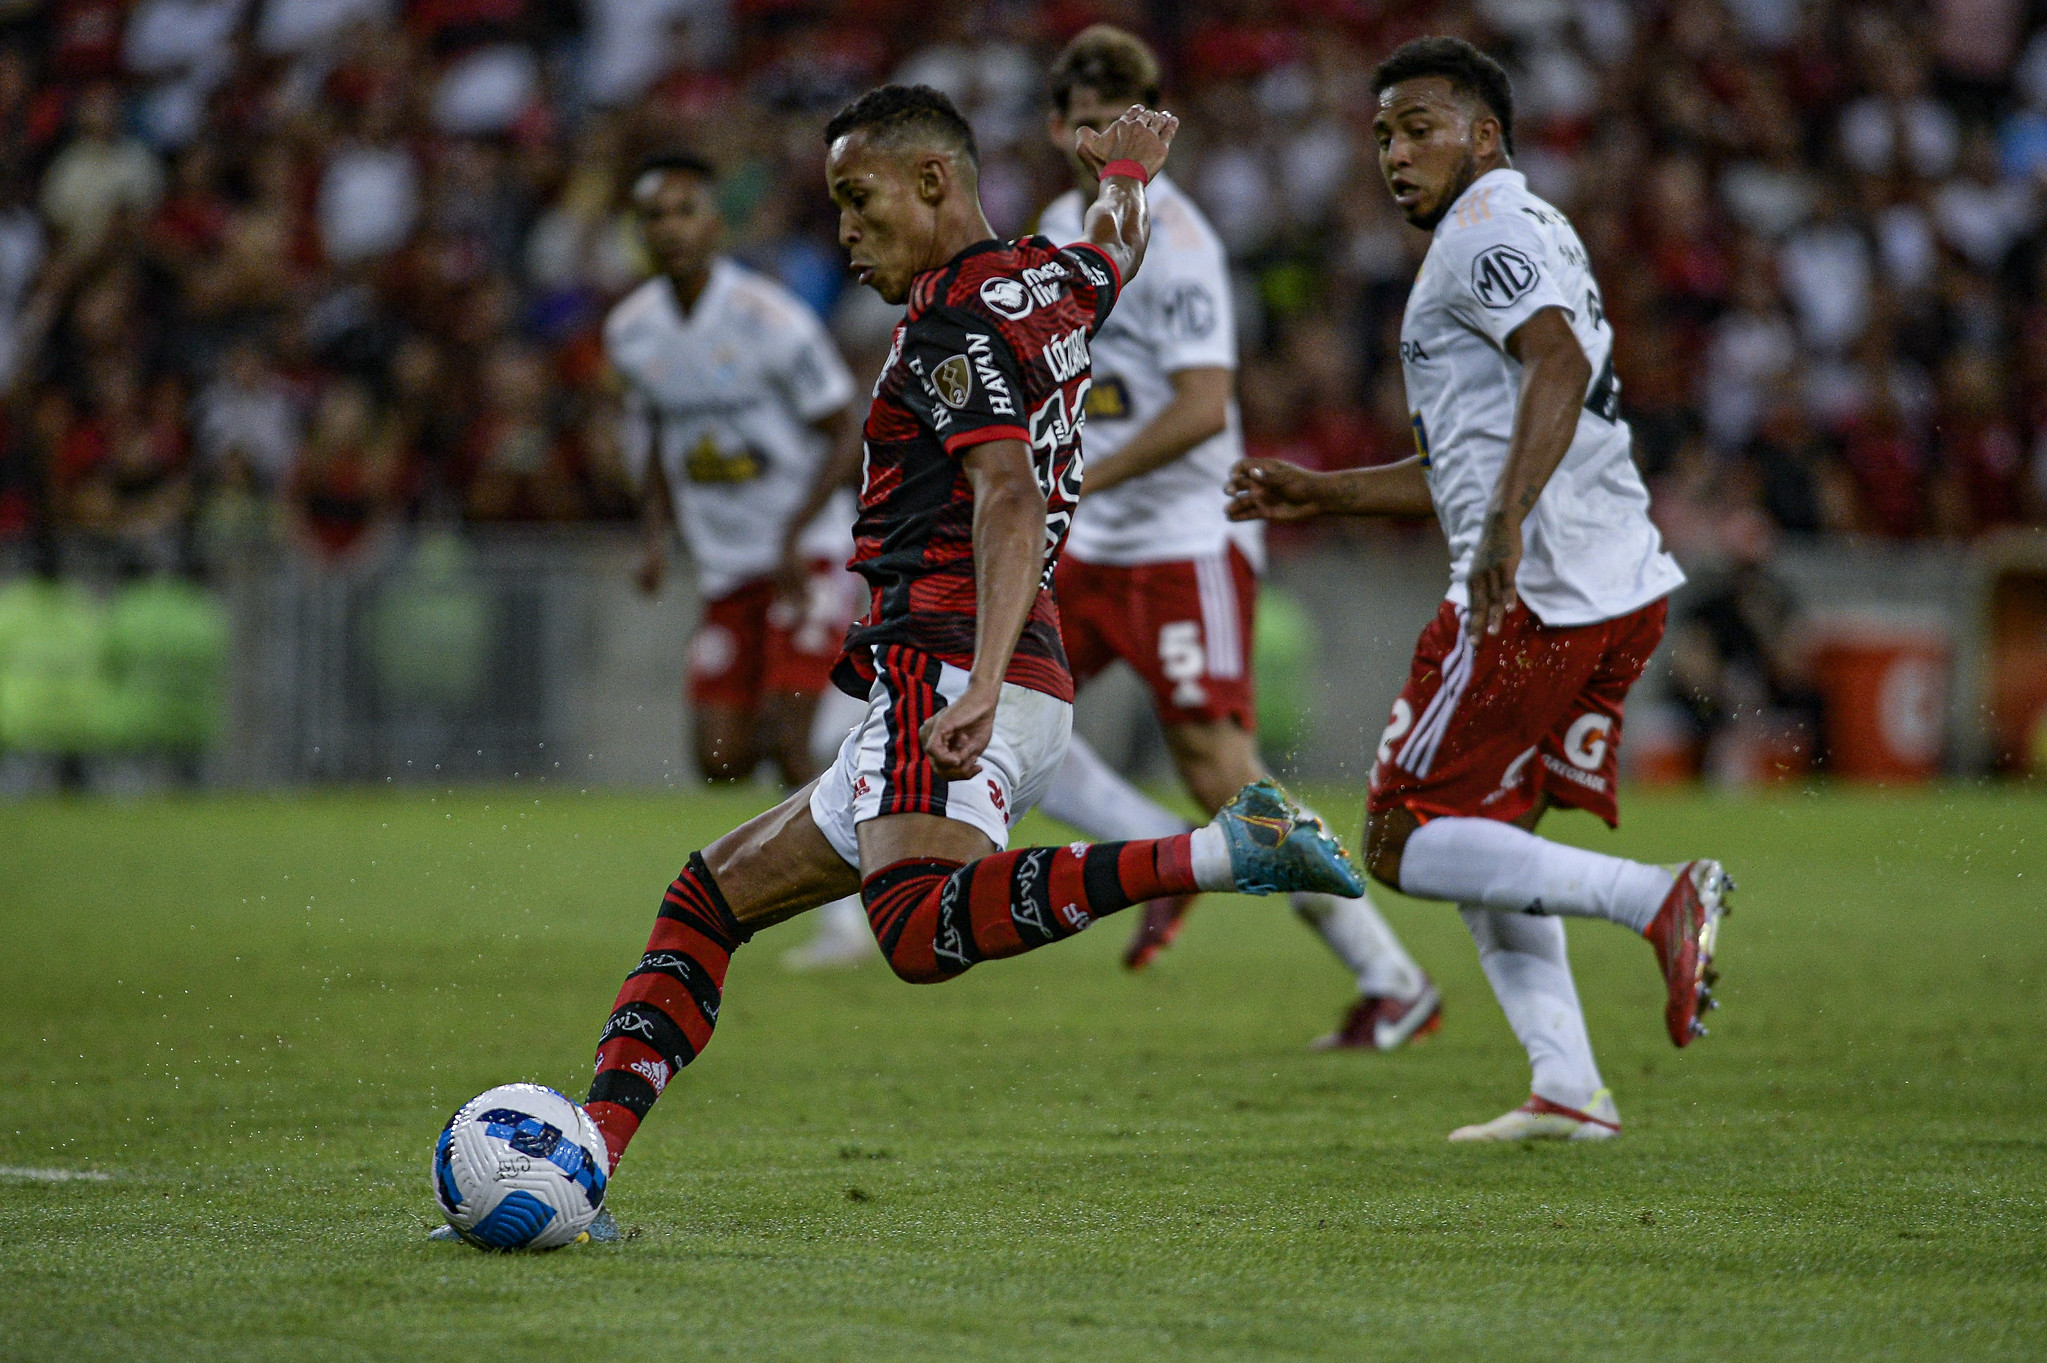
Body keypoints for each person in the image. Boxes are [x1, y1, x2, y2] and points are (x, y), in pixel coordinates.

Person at [578, 86, 1365, 1193]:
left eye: (859, 200)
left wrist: (976, 684)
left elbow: (1005, 497)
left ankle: (1223, 852)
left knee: (910, 934)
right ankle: (587, 1154)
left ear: (935, 181)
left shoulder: (948, 325)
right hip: (1001, 670)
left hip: (946, 664)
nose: (844, 233)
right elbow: (1116, 250)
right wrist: (1129, 178)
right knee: (705, 899)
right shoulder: (1049, 276)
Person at [1227, 38, 1733, 1142]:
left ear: (1485, 135)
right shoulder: (1533, 225)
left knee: (1402, 838)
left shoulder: (1485, 230)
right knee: (1481, 834)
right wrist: (1324, 493)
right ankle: (1569, 1086)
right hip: (1610, 579)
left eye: (1419, 127)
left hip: (1534, 590)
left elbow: (1555, 366)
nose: (1394, 154)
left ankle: (1658, 897)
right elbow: (1471, 457)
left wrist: (1503, 522)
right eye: (1381, 137)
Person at [1031, 26, 1440, 1053]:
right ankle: (1149, 853)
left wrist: (1075, 476)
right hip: (1083, 546)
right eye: (1083, 123)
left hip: (1181, 543)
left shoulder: (1182, 244)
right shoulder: (1051, 225)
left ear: (1154, 128)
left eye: (1117, 123)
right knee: (1003, 721)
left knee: (1220, 769)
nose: (1097, 143)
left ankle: (1394, 980)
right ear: (1054, 127)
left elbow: (1204, 407)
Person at [604, 150, 873, 970]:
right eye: (655, 215)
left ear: (714, 225)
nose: (670, 228)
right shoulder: (632, 331)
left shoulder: (769, 318)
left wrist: (796, 532)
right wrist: (655, 535)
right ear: (639, 233)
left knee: (789, 742)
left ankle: (851, 926)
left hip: (805, 556)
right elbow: (657, 436)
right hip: (725, 570)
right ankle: (852, 739)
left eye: (685, 210)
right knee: (718, 759)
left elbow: (843, 425)